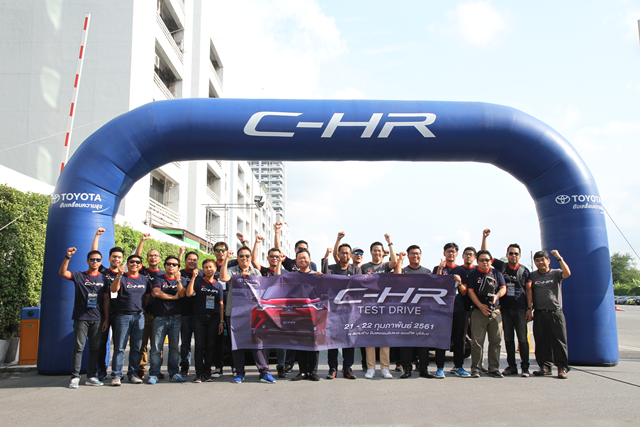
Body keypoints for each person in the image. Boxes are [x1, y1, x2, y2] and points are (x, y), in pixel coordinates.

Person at [219, 245, 277, 384]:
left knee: (257, 342)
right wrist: (226, 258)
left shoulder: (255, 271)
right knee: (236, 343)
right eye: (241, 256)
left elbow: (261, 289)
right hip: (234, 312)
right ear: (237, 258)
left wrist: (250, 277)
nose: (244, 258)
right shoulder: (232, 270)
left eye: (247, 256)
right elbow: (223, 277)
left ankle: (264, 372)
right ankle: (239, 372)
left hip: (253, 312)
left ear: (250, 258)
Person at [481, 229, 532, 377]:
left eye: (516, 253)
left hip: (521, 309)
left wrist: (529, 308)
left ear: (520, 255)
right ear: (507, 254)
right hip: (505, 309)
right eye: (511, 253)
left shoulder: (524, 271)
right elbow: (485, 254)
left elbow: (529, 290)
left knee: (523, 339)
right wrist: (484, 238)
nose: (513, 255)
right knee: (508, 339)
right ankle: (512, 366)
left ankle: (525, 367)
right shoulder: (502, 267)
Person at [58, 247, 110, 388]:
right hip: (81, 317)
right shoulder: (79, 276)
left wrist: (106, 319)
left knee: (95, 348)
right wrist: (68, 257)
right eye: (92, 259)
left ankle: (91, 376)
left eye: (98, 260)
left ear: (101, 262)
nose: (95, 262)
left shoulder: (104, 279)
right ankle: (75, 377)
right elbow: (62, 272)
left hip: (97, 318)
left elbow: (106, 300)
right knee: (78, 347)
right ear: (87, 261)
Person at [251, 236, 293, 378]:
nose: (275, 258)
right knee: (266, 340)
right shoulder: (263, 271)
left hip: (281, 311)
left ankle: (281, 366)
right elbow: (253, 261)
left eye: (277, 256)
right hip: (265, 311)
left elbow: (277, 278)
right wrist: (256, 243)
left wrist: (281, 263)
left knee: (281, 340)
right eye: (272, 256)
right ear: (268, 258)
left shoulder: (286, 273)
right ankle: (266, 367)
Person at [109, 254, 152, 386]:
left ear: (141, 265)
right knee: (120, 347)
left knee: (136, 347)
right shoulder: (122, 277)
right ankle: (116, 375)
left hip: (139, 316)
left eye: (137, 262)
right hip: (123, 316)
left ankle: (133, 373)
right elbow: (113, 290)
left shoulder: (144, 279)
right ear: (127, 264)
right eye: (131, 262)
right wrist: (118, 276)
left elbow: (147, 297)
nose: (134, 264)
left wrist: (140, 308)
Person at [322, 244, 362, 380]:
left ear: (350, 255)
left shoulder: (356, 270)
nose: (345, 255)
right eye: (342, 253)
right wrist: (326, 256)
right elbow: (324, 276)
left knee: (349, 340)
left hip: (350, 311)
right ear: (338, 255)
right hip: (333, 310)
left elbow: (360, 286)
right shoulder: (332, 269)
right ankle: (332, 368)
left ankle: (347, 368)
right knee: (332, 340)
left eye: (347, 253)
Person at [465, 248, 507, 378]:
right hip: (478, 312)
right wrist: (480, 305)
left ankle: (494, 368)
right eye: (482, 260)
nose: (485, 262)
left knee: (496, 341)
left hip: (495, 311)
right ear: (477, 261)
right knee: (477, 342)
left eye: (487, 260)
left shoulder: (497, 273)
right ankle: (476, 369)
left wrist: (497, 296)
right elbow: (470, 291)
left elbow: (503, 288)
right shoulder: (473, 274)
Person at [360, 235, 397, 379]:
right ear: (371, 252)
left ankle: (385, 368)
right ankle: (370, 368)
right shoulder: (365, 267)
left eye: (379, 250)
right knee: (370, 338)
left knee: (384, 339)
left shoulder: (385, 266)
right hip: (369, 307)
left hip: (384, 308)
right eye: (375, 250)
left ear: (383, 252)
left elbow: (394, 262)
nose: (377, 252)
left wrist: (389, 242)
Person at [530, 249, 571, 379]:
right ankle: (545, 367)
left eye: (543, 260)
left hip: (555, 312)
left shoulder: (555, 273)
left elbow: (567, 273)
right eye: (537, 261)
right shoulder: (532, 276)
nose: (540, 262)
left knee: (559, 341)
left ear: (548, 261)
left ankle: (562, 367)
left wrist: (559, 257)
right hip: (539, 313)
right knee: (541, 341)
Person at [394, 246, 434, 379]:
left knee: (423, 342)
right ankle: (407, 369)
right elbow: (397, 278)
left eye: (417, 253)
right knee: (406, 343)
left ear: (421, 255)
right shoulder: (404, 271)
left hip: (423, 312)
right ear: (408, 255)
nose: (415, 256)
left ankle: (424, 369)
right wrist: (400, 260)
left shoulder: (427, 272)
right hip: (407, 312)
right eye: (412, 253)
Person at [432, 243, 469, 378]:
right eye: (448, 251)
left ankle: (458, 366)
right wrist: (440, 270)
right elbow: (434, 287)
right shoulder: (438, 268)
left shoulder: (461, 270)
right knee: (441, 338)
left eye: (453, 251)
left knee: (459, 339)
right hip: (442, 309)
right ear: (444, 253)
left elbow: (464, 292)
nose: (451, 254)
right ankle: (439, 368)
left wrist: (460, 282)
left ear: (457, 254)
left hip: (458, 308)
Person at [90, 228, 123, 380]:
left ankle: (117, 372)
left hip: (119, 313)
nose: (116, 259)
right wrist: (97, 236)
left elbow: (137, 257)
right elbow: (94, 254)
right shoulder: (103, 271)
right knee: (101, 343)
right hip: (101, 313)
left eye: (119, 257)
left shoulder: (124, 274)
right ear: (109, 258)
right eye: (114, 257)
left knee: (118, 344)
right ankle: (101, 369)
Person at [148, 256, 186, 384]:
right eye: (169, 264)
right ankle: (154, 373)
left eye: (174, 264)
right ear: (165, 266)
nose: (171, 266)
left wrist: (178, 280)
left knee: (174, 348)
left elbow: (182, 294)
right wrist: (173, 297)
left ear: (178, 267)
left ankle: (174, 373)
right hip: (160, 318)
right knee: (156, 347)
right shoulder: (159, 278)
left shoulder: (182, 279)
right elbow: (157, 292)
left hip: (176, 318)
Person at [133, 233, 167, 380]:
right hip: (144, 313)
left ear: (159, 259)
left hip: (159, 314)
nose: (153, 258)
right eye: (150, 256)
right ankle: (141, 369)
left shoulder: (164, 274)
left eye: (156, 256)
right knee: (142, 343)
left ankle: (156, 369)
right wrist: (142, 241)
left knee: (157, 345)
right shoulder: (143, 272)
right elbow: (137, 257)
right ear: (146, 259)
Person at [186, 258, 225, 383]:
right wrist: (193, 277)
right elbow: (188, 294)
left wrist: (221, 321)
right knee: (199, 346)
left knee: (210, 346)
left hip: (213, 319)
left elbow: (221, 305)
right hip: (199, 318)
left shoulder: (218, 285)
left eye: (211, 267)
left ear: (215, 269)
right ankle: (199, 373)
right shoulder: (198, 281)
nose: (209, 269)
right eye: (206, 267)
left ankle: (207, 372)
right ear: (203, 269)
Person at [290, 249, 323, 382]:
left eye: (305, 257)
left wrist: (321, 278)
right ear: (296, 261)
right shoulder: (292, 276)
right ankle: (302, 371)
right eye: (300, 258)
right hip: (297, 314)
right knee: (300, 344)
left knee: (314, 343)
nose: (302, 260)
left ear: (310, 260)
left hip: (313, 315)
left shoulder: (316, 276)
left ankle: (313, 371)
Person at [179, 251, 201, 377]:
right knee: (185, 342)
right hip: (185, 313)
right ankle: (184, 366)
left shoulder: (202, 273)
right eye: (189, 259)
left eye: (194, 259)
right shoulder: (180, 273)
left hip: (200, 314)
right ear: (185, 261)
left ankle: (201, 367)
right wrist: (180, 254)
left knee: (200, 343)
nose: (192, 261)